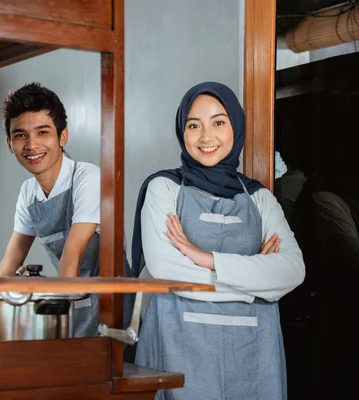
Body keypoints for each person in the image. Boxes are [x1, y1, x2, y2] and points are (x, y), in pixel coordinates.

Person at [130, 82, 305, 400]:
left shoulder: (259, 197)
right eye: (193, 125)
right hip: (176, 351)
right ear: (182, 131)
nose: (206, 137)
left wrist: (205, 258)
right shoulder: (164, 188)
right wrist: (256, 286)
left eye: (218, 122)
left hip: (253, 359)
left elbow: (292, 271)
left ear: (236, 127)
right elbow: (167, 270)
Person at [0, 82, 135, 346]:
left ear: (62, 137)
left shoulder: (87, 177)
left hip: (110, 311)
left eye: (42, 132)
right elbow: (10, 261)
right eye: (20, 135)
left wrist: (50, 314)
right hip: (70, 304)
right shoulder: (28, 192)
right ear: (9, 143)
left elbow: (72, 254)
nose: (32, 145)